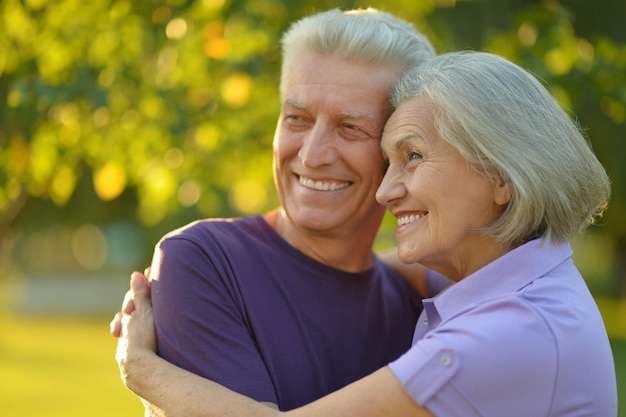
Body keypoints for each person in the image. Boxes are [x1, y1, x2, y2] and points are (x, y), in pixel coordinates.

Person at [115, 50, 617, 416]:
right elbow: (389, 269)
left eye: (412, 157)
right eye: (387, 161)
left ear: (502, 177)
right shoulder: (533, 275)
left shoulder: (501, 338)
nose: (385, 191)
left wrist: (142, 369)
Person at [111, 7, 450, 414]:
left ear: (404, 149)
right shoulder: (203, 262)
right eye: (297, 118)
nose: (312, 154)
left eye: (350, 128)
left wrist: (142, 370)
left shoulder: (421, 311)